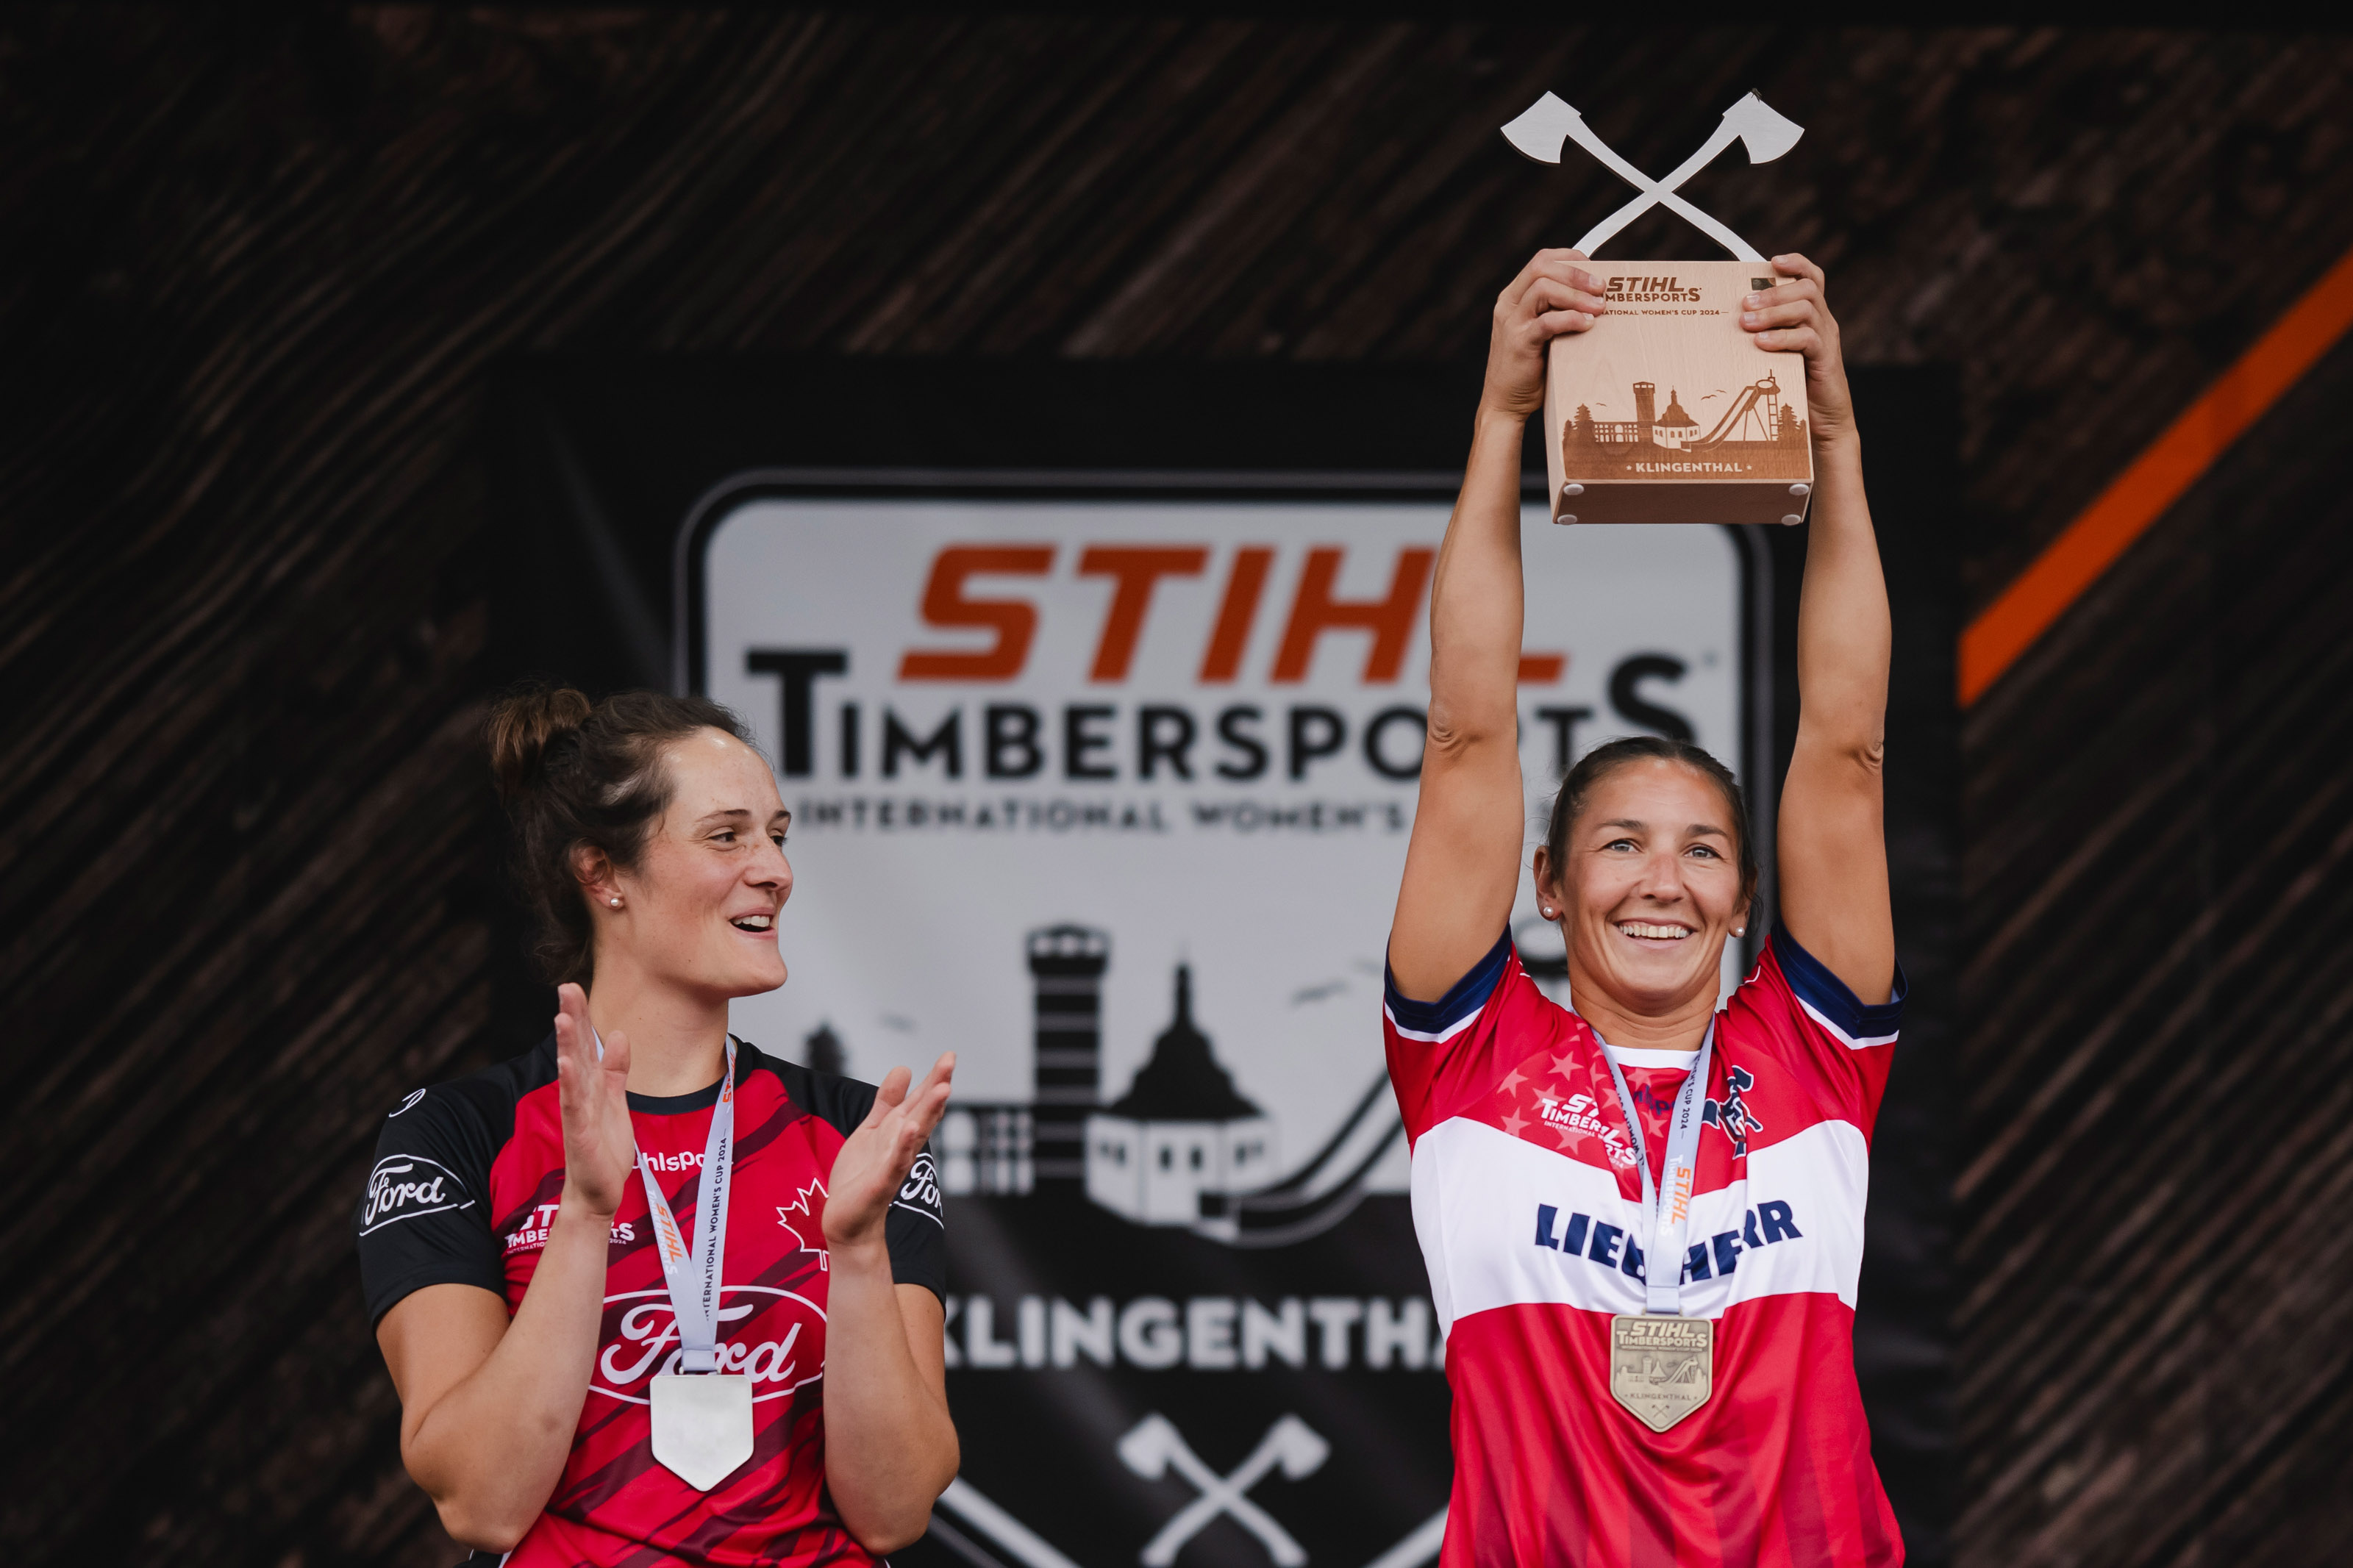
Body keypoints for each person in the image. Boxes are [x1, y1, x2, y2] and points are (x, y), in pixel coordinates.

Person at [1385, 251, 1902, 1566]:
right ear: (1547, 884)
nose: (1663, 880)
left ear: (1744, 898)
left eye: (1704, 852)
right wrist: (1504, 418)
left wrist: (1834, 438)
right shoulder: (1469, 1056)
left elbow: (1844, 745)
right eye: (1618, 844)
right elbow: (1465, 734)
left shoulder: (1816, 1052)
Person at [355, 689, 957, 1566]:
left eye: (777, 835)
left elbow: (895, 1512)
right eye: (727, 836)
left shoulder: (850, 1135)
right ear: (601, 874)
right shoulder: (458, 1134)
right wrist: (586, 1215)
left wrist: (858, 1251)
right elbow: (481, 1503)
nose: (775, 870)